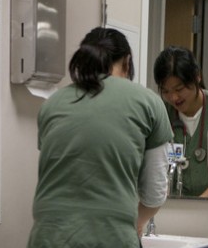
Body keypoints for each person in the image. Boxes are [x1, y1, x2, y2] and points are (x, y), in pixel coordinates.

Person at [27, 27, 173, 248]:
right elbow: (154, 194)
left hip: (46, 238)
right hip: (110, 237)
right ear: (127, 62)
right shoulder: (148, 102)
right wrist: (136, 223)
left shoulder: (52, 105)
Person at [153, 46, 208, 198]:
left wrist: (197, 209)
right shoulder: (162, 114)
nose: (174, 98)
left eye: (179, 89)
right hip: (179, 211)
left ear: (197, 77)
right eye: (166, 91)